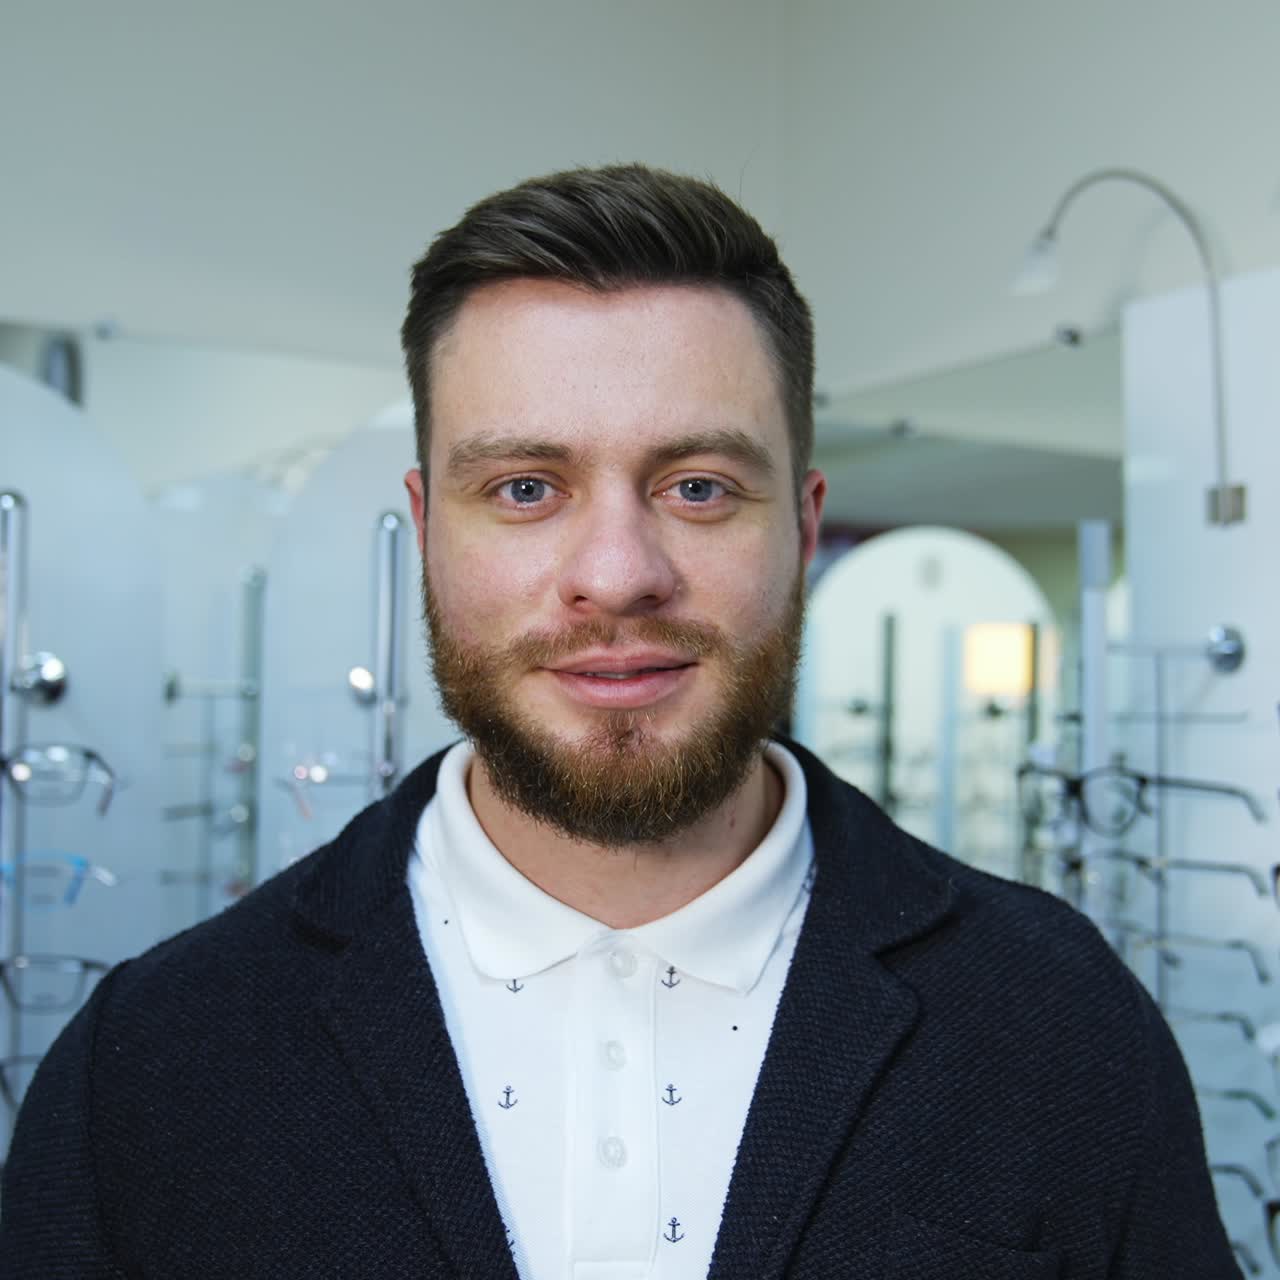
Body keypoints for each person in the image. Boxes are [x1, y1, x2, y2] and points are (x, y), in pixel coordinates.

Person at [0, 165, 1237, 1279]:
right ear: (426, 531)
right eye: (525, 488)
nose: (614, 572)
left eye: (696, 487)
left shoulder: (1056, 1024)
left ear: (800, 529)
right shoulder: (154, 1063)